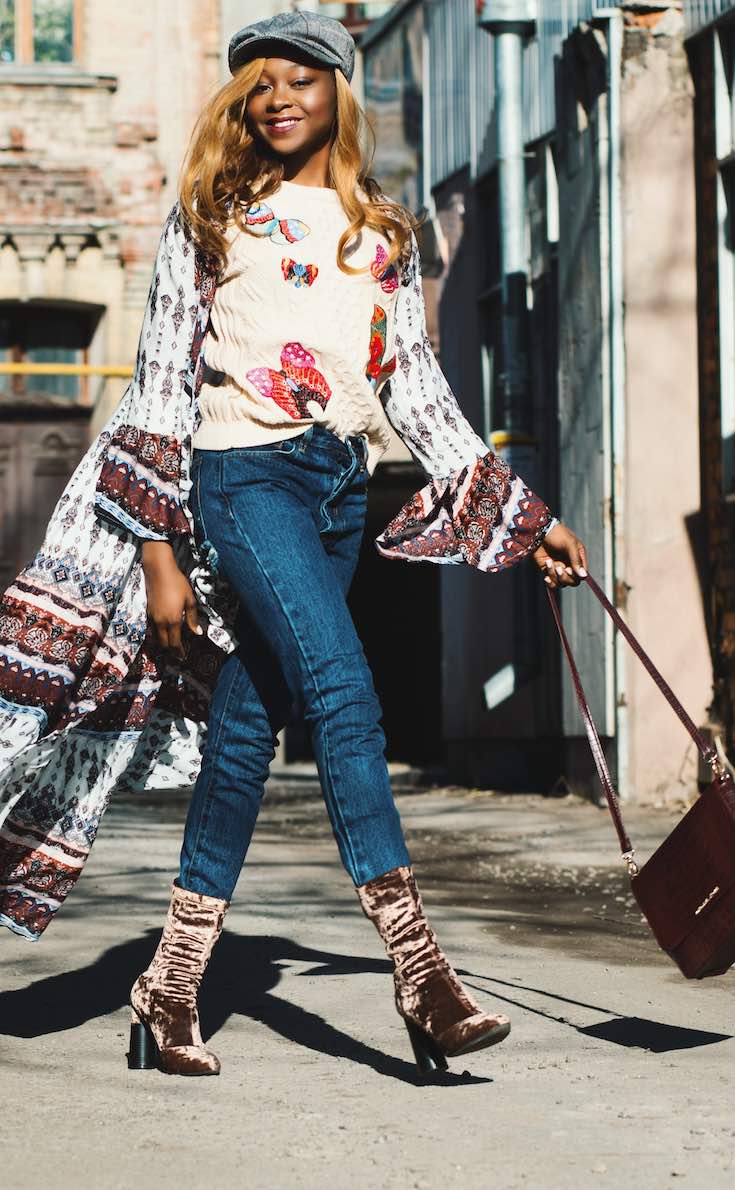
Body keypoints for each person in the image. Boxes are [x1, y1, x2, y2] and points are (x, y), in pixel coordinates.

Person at [0, 11, 587, 1079]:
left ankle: (169, 985)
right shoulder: (210, 217)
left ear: (337, 93)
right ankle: (423, 974)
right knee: (342, 690)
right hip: (241, 477)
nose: (277, 97)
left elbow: (417, 391)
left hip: (338, 492)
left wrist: (530, 519)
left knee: (244, 732)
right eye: (259, 83)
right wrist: (159, 554)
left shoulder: (382, 234)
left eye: (300, 79)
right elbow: (159, 388)